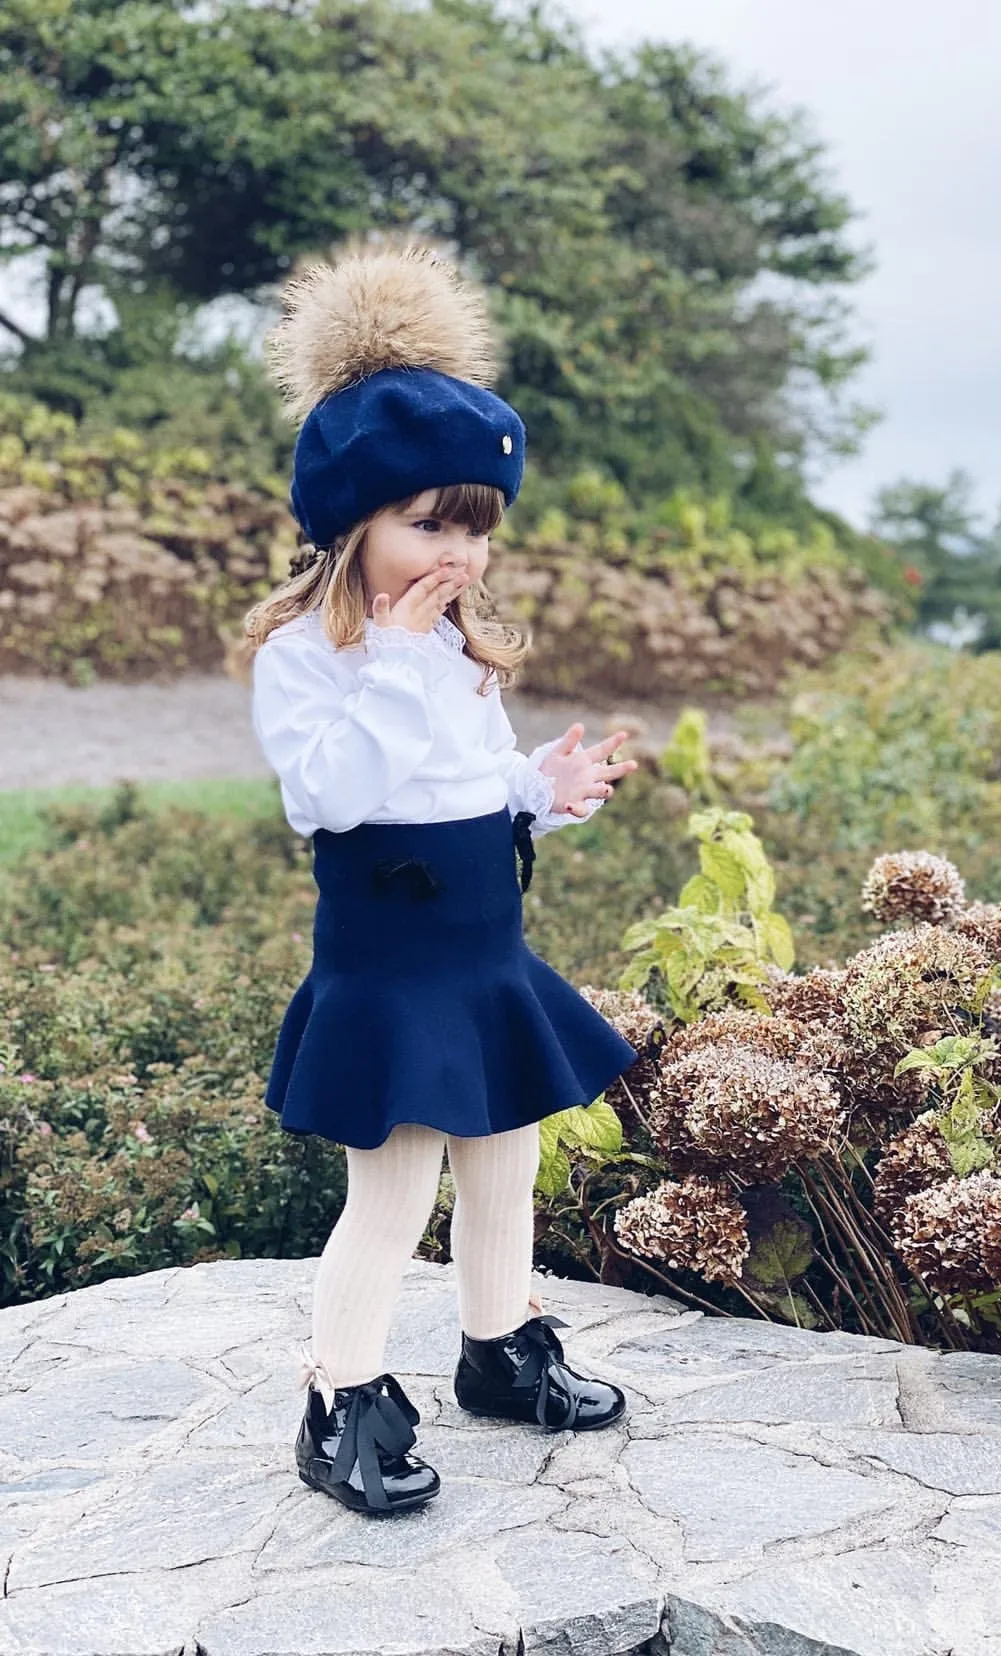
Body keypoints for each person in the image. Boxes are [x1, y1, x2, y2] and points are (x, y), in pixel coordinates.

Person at [243, 237, 642, 1518]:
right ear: (350, 525)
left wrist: (541, 790)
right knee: (399, 1179)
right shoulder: (308, 658)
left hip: (480, 950)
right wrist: (402, 666)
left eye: (476, 528)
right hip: (391, 963)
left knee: (503, 1157)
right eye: (428, 526)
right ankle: (340, 1395)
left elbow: (461, 784)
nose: (459, 555)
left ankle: (497, 1348)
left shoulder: (457, 654)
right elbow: (340, 796)